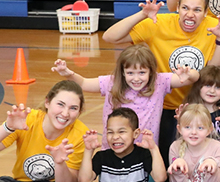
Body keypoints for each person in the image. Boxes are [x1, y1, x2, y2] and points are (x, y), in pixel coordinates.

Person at [103, 0, 220, 153]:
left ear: (206, 12)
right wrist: (142, 15)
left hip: (197, 107)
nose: (190, 14)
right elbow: (109, 36)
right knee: (164, 158)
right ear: (177, 7)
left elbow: (214, 74)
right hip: (161, 107)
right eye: (185, 8)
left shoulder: (214, 27)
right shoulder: (159, 23)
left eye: (197, 10)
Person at [51, 44, 197, 146]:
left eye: (142, 72)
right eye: (130, 73)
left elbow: (192, 79)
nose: (136, 78)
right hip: (114, 147)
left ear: (151, 72)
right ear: (122, 72)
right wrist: (69, 74)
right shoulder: (111, 82)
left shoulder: (160, 81)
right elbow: (83, 83)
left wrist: (189, 74)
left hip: (144, 148)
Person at [181, 65, 220, 167]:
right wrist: (181, 121)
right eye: (208, 85)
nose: (212, 91)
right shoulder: (188, 113)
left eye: (218, 87)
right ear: (198, 87)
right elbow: (178, 145)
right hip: (193, 167)